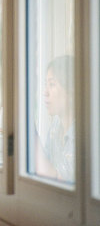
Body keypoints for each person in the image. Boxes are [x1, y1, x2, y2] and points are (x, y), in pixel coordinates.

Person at [35, 55, 75, 183]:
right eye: (46, 84)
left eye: (52, 84)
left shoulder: (87, 134)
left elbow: (59, 181)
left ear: (72, 90)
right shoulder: (55, 127)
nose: (45, 92)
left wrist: (29, 132)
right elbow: (42, 167)